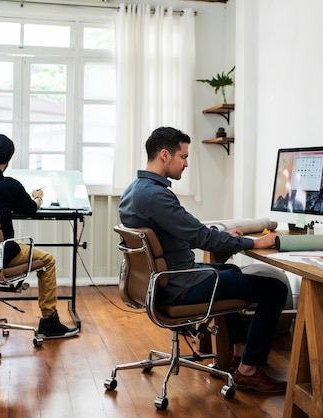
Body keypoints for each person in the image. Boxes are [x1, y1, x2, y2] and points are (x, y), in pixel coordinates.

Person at [119, 126, 288, 393]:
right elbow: (200, 237)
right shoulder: (157, 196)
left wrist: (221, 235)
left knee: (231, 270)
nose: (186, 164)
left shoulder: (135, 190)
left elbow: (182, 231)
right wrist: (256, 242)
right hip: (179, 285)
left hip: (161, 282)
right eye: (183, 157)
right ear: (165, 155)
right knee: (274, 289)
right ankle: (249, 369)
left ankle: (238, 352)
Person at [0, 133, 79, 340]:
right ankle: (49, 322)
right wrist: (37, 198)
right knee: (47, 261)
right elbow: (30, 209)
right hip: (0, 254)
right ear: (8, 159)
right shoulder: (10, 186)